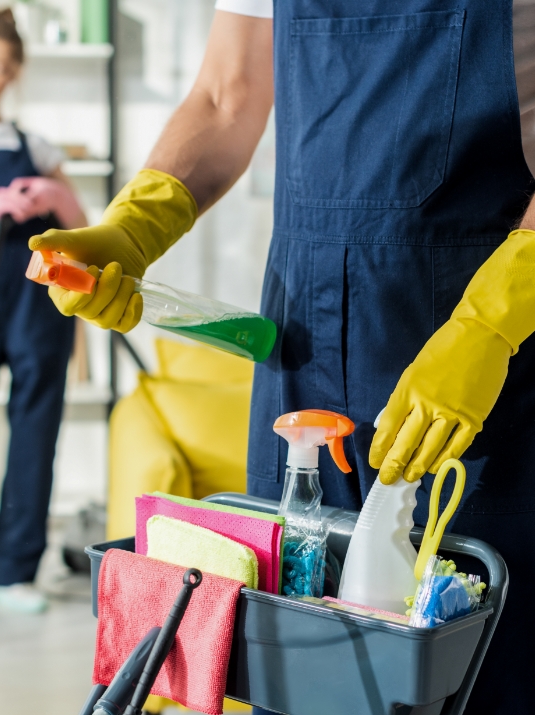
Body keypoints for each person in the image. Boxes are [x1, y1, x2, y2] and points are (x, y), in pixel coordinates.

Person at [29, 1, 535, 712]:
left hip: (480, 350)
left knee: (478, 654)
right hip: (305, 338)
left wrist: (491, 323)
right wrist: (135, 224)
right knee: (296, 653)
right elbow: (224, 93)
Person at [0, 9, 87, 613]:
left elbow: (84, 231)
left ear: (19, 70)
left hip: (34, 306)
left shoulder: (34, 145)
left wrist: (56, 196)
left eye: (5, 69)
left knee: (34, 431)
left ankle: (13, 573)